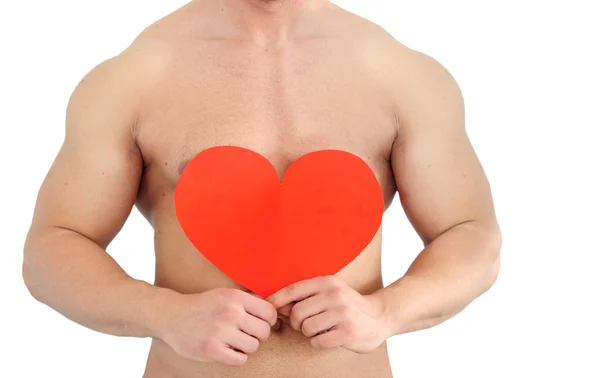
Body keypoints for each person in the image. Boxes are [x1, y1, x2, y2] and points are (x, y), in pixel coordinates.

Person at [22, 0, 502, 377]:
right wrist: (164, 313)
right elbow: (51, 250)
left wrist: (386, 312)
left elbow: (470, 234)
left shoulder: (401, 75)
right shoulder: (135, 77)